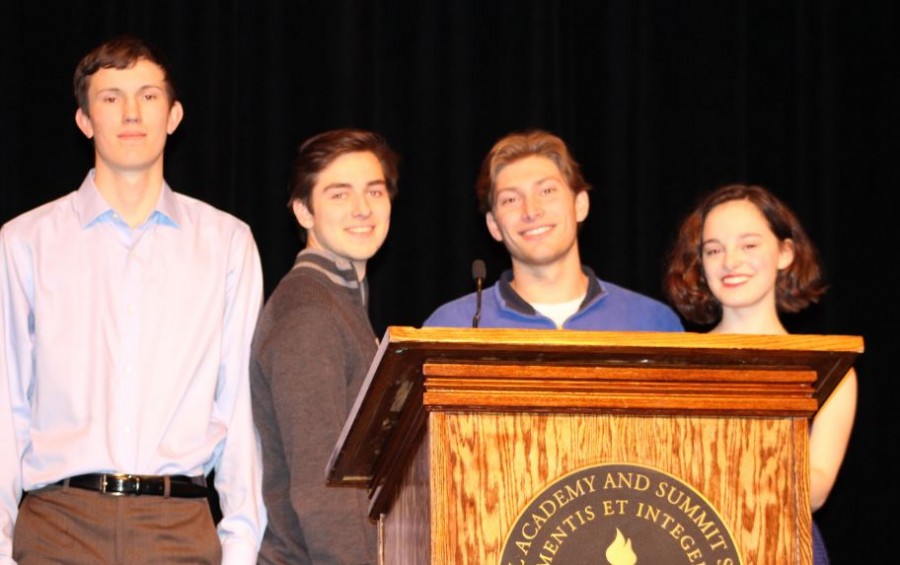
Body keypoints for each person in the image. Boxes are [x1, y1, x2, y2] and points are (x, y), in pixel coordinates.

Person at [0, 36, 266, 563]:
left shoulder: (226, 243)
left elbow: (238, 411)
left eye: (147, 96)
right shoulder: (26, 242)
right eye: (110, 97)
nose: (130, 113)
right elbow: (8, 407)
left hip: (178, 527)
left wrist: (240, 546)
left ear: (173, 115)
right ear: (84, 119)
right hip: (57, 526)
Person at [663, 183, 857, 565]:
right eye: (713, 250)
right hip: (688, 544)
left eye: (749, 245)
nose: (730, 262)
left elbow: (815, 489)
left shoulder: (826, 367)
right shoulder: (678, 360)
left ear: (785, 253)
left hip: (784, 546)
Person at [250, 128, 398, 564]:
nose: (362, 209)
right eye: (338, 194)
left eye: (374, 191)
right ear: (303, 211)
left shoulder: (340, 301)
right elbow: (323, 487)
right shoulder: (309, 312)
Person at [424, 129, 682, 331]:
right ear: (494, 226)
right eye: (511, 200)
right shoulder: (452, 326)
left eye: (547, 191)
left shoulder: (651, 322)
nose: (531, 210)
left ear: (580, 205)